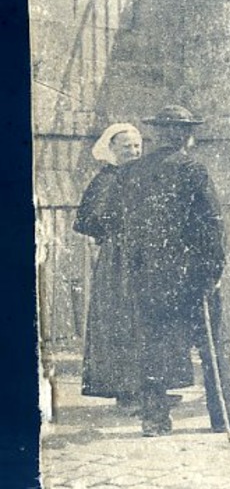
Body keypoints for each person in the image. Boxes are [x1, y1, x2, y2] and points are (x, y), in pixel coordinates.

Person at [118, 105, 230, 437]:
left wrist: (136, 270)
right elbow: (213, 227)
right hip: (192, 278)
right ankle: (225, 417)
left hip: (149, 276)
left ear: (159, 134)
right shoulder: (194, 170)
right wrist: (213, 272)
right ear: (187, 136)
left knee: (152, 348)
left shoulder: (133, 172)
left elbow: (128, 228)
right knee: (213, 347)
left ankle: (154, 420)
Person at [75, 122, 143, 407]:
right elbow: (86, 221)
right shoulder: (106, 179)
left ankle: (144, 388)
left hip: (142, 256)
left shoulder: (142, 174)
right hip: (118, 261)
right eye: (126, 146)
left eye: (137, 146)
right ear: (112, 149)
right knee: (120, 320)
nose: (133, 151)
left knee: (142, 321)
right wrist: (116, 230)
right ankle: (125, 393)